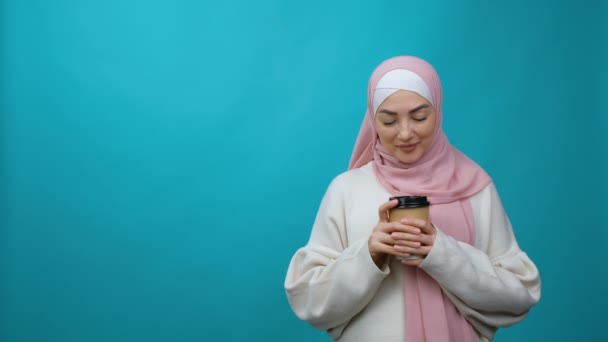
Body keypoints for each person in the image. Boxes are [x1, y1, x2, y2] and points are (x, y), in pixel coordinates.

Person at [284, 56, 541, 342]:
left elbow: (520, 293)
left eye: (420, 117)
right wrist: (369, 255)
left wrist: (442, 253)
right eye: (389, 120)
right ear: (373, 121)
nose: (406, 133)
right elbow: (307, 299)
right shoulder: (347, 190)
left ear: (438, 111)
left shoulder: (475, 186)